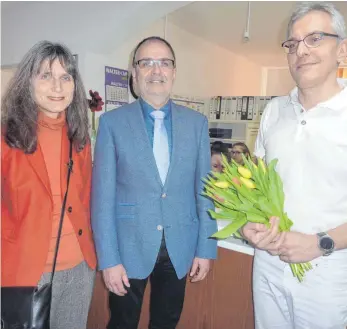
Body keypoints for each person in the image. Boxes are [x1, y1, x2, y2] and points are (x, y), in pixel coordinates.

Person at [91, 36, 217, 329]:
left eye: (164, 63)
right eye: (146, 63)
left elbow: (204, 191)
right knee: (122, 322)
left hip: (180, 245)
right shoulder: (112, 123)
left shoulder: (196, 124)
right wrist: (109, 259)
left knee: (167, 322)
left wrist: (206, 248)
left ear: (174, 72)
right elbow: (102, 199)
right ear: (134, 74)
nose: (156, 71)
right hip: (128, 246)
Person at [241, 3, 347, 329]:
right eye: (292, 43)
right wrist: (247, 224)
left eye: (314, 39)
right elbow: (254, 183)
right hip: (267, 266)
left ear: (342, 51)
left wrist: (318, 243)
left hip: (327, 271)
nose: (300, 51)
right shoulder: (273, 111)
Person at [1, 41, 97, 329]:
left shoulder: (79, 138)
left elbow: (86, 198)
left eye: (65, 77)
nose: (57, 86)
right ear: (28, 82)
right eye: (46, 75)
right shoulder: (7, 138)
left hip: (78, 268)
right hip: (24, 269)